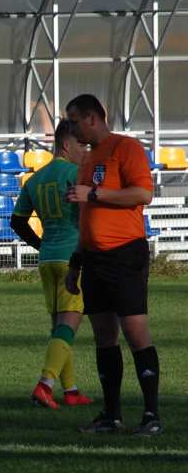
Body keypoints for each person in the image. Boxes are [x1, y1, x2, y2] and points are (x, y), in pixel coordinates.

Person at [64, 94, 160, 436]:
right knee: (104, 336)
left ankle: (151, 415)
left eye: (75, 120)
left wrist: (93, 194)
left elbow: (142, 195)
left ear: (92, 118)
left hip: (125, 255)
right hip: (94, 259)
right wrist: (76, 263)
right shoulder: (88, 160)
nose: (72, 128)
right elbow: (88, 218)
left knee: (135, 332)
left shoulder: (126, 148)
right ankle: (111, 415)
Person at [11, 121, 94, 410]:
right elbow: (89, 213)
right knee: (69, 324)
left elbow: (17, 221)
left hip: (47, 258)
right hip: (71, 257)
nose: (85, 151)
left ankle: (70, 390)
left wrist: (39, 244)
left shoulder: (35, 179)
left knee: (59, 327)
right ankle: (44, 385)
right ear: (66, 144)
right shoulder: (76, 174)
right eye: (82, 145)